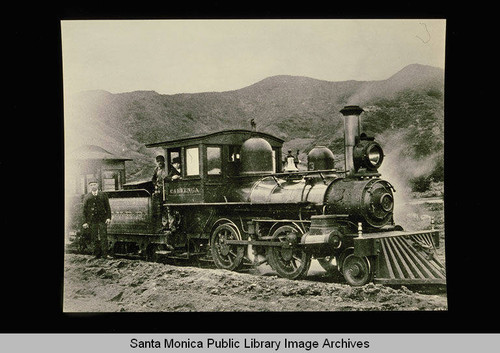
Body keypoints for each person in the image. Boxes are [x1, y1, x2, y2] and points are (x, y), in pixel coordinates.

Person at [82, 178, 112, 259]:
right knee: (94, 237)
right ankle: (96, 254)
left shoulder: (103, 195)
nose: (93, 186)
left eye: (94, 184)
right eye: (91, 185)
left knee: (103, 237)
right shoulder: (87, 197)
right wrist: (85, 222)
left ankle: (105, 255)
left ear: (97, 185)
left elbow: (108, 208)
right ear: (89, 186)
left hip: (102, 219)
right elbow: (84, 211)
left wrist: (108, 218)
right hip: (92, 221)